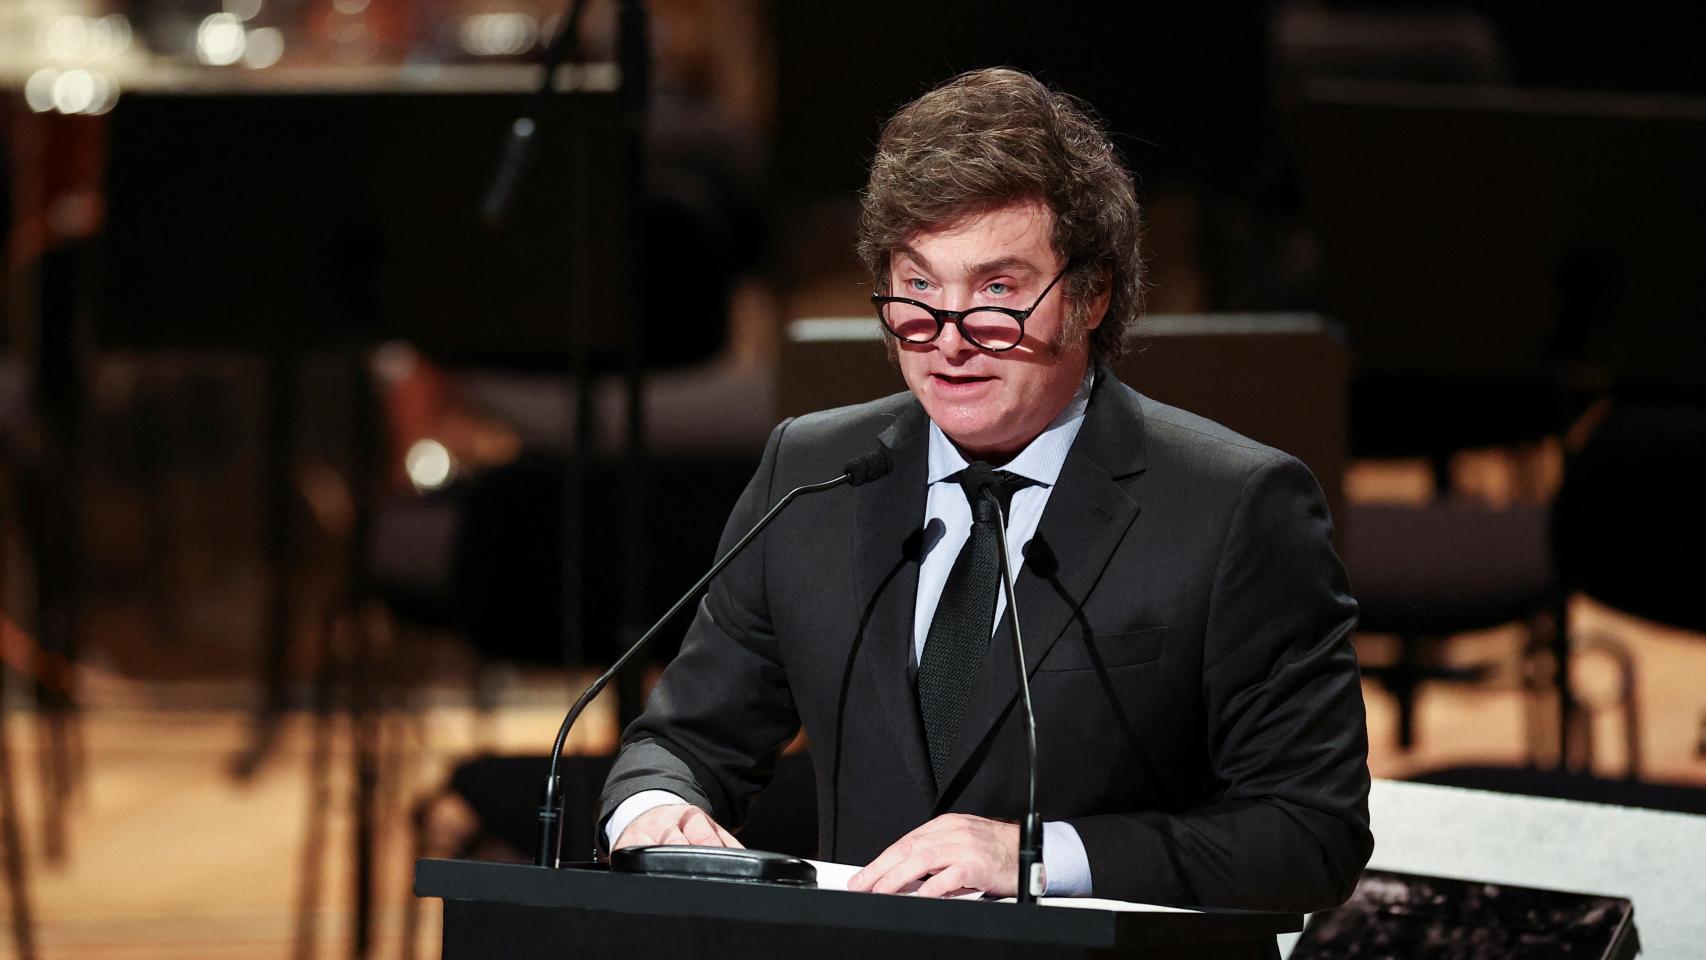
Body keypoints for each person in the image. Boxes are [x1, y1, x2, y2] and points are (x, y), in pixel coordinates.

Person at [598, 67, 1372, 910]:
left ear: (1090, 295)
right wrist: (654, 809)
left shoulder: (1235, 506)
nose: (949, 339)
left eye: (997, 291)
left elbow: (1309, 833)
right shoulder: (811, 472)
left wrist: (1035, 856)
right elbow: (683, 740)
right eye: (920, 289)